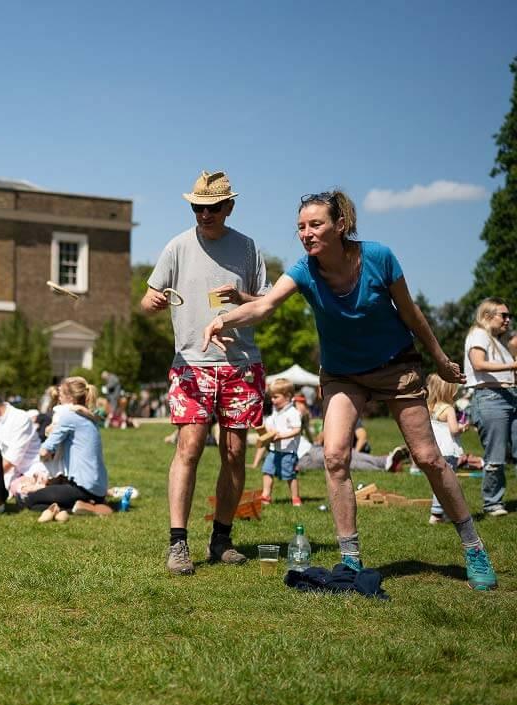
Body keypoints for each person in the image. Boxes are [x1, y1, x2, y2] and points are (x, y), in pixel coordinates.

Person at [202, 189, 497, 591]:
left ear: (340, 225)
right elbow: (265, 306)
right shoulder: (304, 270)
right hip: (342, 372)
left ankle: (473, 546)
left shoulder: (379, 258)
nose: (306, 233)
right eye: (301, 227)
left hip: (395, 365)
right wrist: (224, 322)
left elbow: (411, 314)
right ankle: (350, 558)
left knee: (428, 457)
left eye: (316, 224)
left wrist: (441, 359)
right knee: (336, 456)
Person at [140, 170, 270, 574]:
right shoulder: (178, 246)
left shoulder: (247, 249)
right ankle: (178, 544)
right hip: (191, 364)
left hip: (241, 365)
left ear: (229, 206)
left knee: (234, 454)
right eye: (198, 207)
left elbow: (264, 306)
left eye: (212, 207)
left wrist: (240, 297)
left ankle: (222, 540)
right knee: (189, 449)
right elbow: (147, 298)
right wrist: (154, 301)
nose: (204, 214)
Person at [20, 377, 110, 518]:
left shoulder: (68, 415)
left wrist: (48, 433)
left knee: (28, 500)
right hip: (99, 487)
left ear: (70, 398)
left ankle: (86, 507)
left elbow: (45, 451)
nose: (58, 398)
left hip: (82, 487)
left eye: (61, 395)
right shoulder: (87, 415)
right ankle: (87, 505)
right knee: (41, 499)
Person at [463, 297, 515, 516]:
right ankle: (492, 503)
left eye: (509, 316)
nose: (508, 320)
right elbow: (478, 364)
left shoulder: (497, 342)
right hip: (490, 397)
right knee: (496, 454)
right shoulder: (478, 335)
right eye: (504, 315)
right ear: (487, 315)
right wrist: (513, 364)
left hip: (509, 396)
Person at [0, 388, 46, 492]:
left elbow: (11, 460)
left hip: (30, 468)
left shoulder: (20, 418)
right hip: (6, 472)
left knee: (22, 491)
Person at [427, 374, 469, 525]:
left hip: (435, 449)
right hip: (448, 450)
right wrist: (463, 427)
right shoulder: (449, 409)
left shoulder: (430, 407)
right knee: (448, 482)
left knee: (438, 481)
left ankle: (441, 512)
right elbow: (453, 430)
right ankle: (437, 513)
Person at [259, 378, 304, 507]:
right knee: (267, 470)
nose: (272, 400)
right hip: (274, 449)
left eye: (276, 397)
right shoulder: (276, 411)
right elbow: (269, 423)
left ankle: (295, 498)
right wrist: (267, 430)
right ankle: (266, 495)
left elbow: (297, 429)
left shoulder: (293, 412)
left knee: (289, 475)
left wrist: (282, 436)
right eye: (271, 397)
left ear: (288, 396)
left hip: (287, 451)